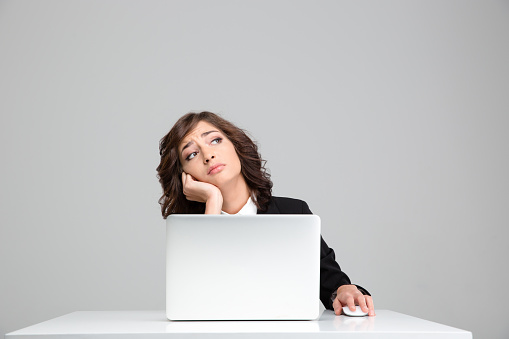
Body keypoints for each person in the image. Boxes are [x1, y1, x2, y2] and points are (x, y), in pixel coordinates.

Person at [156, 111, 375, 316]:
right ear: (185, 176)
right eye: (192, 154)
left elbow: (332, 286)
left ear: (236, 146)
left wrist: (344, 290)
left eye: (215, 140)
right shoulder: (187, 231)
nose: (208, 155)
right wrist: (213, 201)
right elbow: (193, 305)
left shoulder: (293, 213)